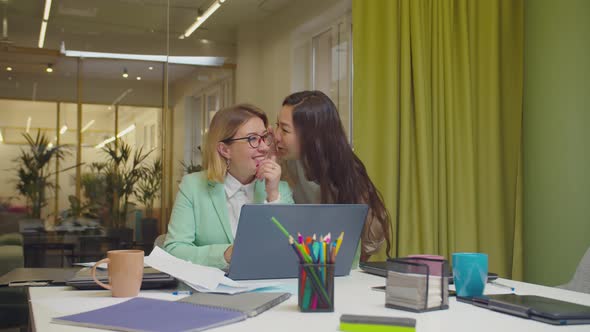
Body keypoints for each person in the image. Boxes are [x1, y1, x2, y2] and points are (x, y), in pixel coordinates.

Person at [164, 104, 293, 269]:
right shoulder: (193, 186)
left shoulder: (279, 188)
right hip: (211, 291)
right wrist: (227, 254)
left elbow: (291, 251)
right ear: (225, 149)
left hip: (267, 288)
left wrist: (273, 195)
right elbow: (174, 250)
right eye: (252, 139)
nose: (264, 147)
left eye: (264, 137)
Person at [273, 90, 392, 261]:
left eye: (284, 130)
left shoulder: (345, 171)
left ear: (310, 135)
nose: (276, 136)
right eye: (276, 125)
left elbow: (371, 240)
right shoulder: (285, 161)